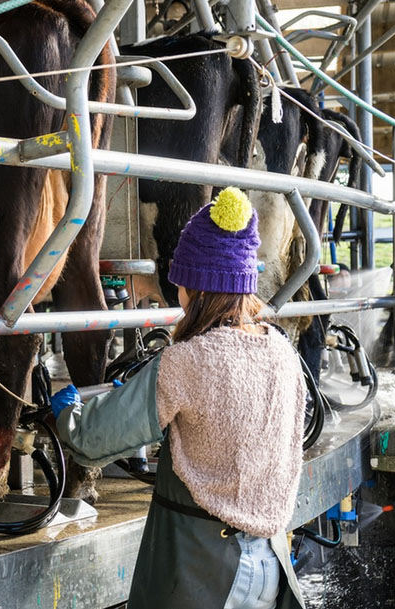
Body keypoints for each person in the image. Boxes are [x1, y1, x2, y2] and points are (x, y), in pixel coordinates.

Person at [51, 186, 307, 609]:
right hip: (271, 564)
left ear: (198, 286)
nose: (178, 294)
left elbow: (93, 442)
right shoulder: (282, 350)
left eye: (181, 282)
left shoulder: (190, 361)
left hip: (207, 572)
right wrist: (141, 399)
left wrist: (69, 415)